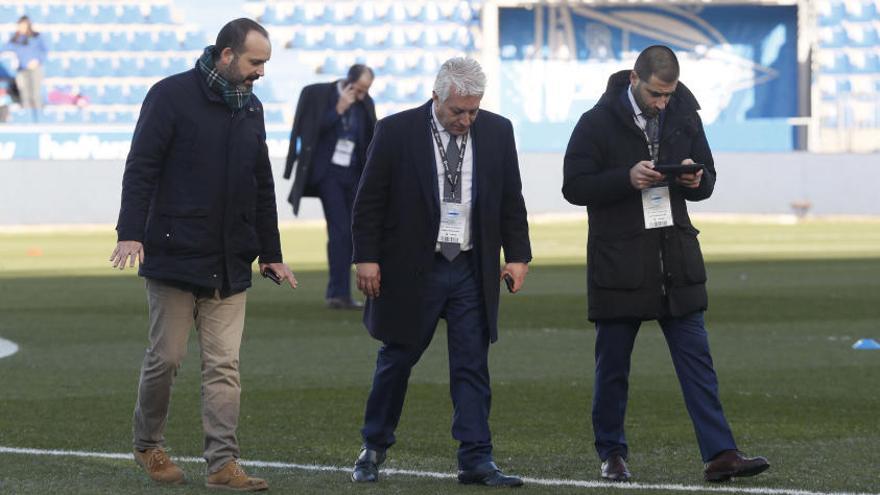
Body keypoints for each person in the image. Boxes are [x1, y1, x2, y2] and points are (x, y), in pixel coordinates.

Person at [562, 45, 770, 483]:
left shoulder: (685, 115)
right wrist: (626, 178)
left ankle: (721, 453)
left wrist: (696, 178)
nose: (663, 103)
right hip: (620, 264)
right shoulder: (595, 122)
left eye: (668, 94)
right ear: (634, 80)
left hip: (676, 260)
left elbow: (708, 178)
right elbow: (574, 186)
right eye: (657, 94)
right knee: (613, 367)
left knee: (699, 363)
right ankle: (612, 454)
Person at [110, 18, 296, 492]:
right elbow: (142, 167)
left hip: (230, 263)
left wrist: (270, 253)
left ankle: (222, 464)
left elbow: (261, 185)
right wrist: (131, 232)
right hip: (175, 256)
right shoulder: (170, 95)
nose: (261, 72)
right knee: (166, 358)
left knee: (224, 367)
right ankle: (148, 444)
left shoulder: (250, 108)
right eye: (256, 62)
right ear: (227, 55)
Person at [349, 57, 531, 487]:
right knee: (397, 359)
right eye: (458, 111)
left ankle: (476, 458)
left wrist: (519, 255)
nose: (467, 119)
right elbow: (369, 199)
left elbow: (511, 199)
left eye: (474, 109)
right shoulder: (395, 131)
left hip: (471, 266)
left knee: (472, 364)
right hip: (414, 267)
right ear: (437, 97)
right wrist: (366, 257)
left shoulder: (498, 130)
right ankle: (373, 447)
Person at [283, 64, 377, 310]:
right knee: (340, 232)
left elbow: (370, 137)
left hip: (354, 174)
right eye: (358, 89)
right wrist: (338, 110)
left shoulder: (365, 103)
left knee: (356, 232)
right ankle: (338, 293)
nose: (361, 94)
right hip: (329, 176)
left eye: (366, 90)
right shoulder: (320, 95)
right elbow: (309, 132)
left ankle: (348, 292)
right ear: (348, 81)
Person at [2, 16, 47, 121]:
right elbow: (5, 48)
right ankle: (28, 120)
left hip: (35, 69)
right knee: (24, 94)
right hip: (22, 70)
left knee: (35, 94)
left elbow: (44, 51)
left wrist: (37, 60)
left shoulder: (36, 37)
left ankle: (39, 120)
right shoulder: (16, 39)